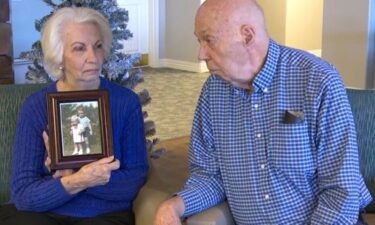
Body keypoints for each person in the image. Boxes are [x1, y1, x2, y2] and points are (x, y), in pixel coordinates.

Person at [153, 0, 372, 224]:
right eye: (198, 41)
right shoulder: (213, 92)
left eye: (208, 40)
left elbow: (341, 191)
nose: (200, 54)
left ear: (247, 36)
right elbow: (210, 175)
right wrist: (175, 205)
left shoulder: (317, 80)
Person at [0, 7, 148, 225]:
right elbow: (23, 195)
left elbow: (133, 181)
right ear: (59, 56)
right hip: (42, 213)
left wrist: (74, 177)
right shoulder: (35, 107)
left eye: (98, 47)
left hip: (103, 215)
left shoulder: (125, 102)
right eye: (79, 49)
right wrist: (76, 181)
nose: (93, 58)